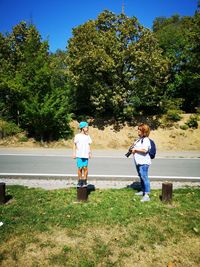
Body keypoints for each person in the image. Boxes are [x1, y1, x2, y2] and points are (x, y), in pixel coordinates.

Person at [131, 123, 151, 202]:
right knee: (141, 176)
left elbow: (145, 150)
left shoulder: (146, 140)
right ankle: (143, 191)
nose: (138, 131)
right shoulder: (139, 139)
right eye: (138, 129)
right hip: (138, 162)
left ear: (144, 131)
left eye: (139, 129)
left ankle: (147, 195)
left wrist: (135, 150)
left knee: (144, 177)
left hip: (144, 162)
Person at [73, 121, 92, 187]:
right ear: (82, 128)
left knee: (85, 168)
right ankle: (79, 180)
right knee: (80, 168)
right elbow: (74, 145)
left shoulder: (88, 136)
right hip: (79, 155)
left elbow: (89, 145)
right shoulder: (77, 136)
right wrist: (74, 153)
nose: (87, 128)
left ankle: (84, 180)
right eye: (86, 127)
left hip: (85, 154)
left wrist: (90, 153)